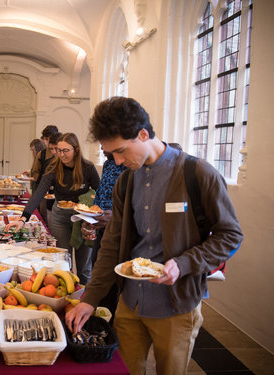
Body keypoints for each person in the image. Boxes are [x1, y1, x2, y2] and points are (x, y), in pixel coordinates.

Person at [65, 97, 243, 375]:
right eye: (111, 154)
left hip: (176, 305)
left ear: (143, 134)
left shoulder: (198, 174)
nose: (118, 161)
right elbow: (111, 245)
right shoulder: (126, 181)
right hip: (130, 303)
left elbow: (230, 236)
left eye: (121, 151)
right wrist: (90, 298)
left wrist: (183, 264)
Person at [7, 132, 100, 284]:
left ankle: (85, 299)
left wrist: (95, 217)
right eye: (59, 150)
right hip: (60, 217)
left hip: (83, 218)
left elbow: (100, 192)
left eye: (65, 151)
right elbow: (39, 192)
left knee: (84, 266)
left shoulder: (87, 167)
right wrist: (23, 218)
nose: (61, 154)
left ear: (76, 150)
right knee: (63, 261)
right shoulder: (54, 167)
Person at [79, 150, 126, 320]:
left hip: (123, 233)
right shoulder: (108, 163)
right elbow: (100, 196)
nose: (102, 148)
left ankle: (111, 323)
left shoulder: (133, 166)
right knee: (99, 270)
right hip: (103, 227)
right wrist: (90, 218)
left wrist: (114, 217)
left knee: (116, 283)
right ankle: (101, 319)